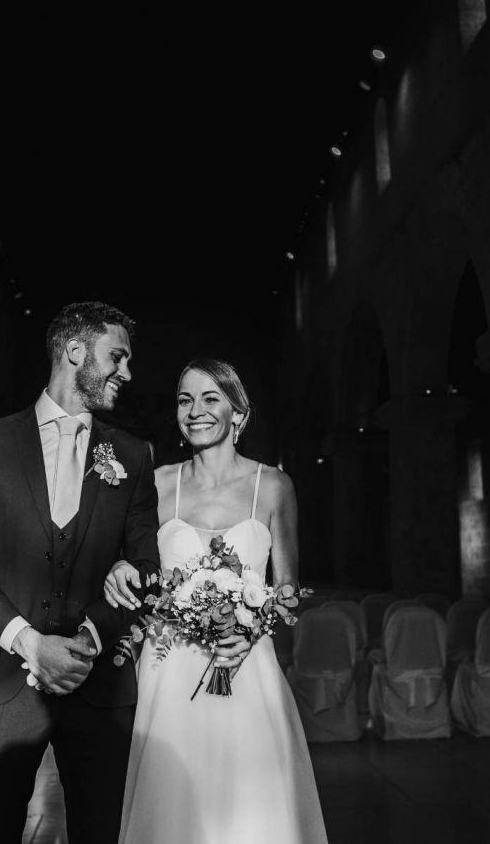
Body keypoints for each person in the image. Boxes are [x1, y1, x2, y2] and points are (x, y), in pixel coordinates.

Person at [0, 301, 162, 844]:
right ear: (75, 351)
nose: (127, 372)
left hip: (98, 686)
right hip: (1, 683)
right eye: (118, 357)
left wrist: (88, 639)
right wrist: (31, 643)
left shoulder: (132, 455)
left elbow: (148, 569)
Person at [104, 358, 328, 844]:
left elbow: (288, 592)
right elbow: (138, 569)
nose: (195, 410)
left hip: (246, 669)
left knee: (248, 806)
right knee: (172, 805)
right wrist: (122, 570)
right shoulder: (158, 483)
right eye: (185, 400)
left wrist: (249, 629)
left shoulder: (274, 485)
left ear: (238, 413)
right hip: (170, 671)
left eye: (211, 398)